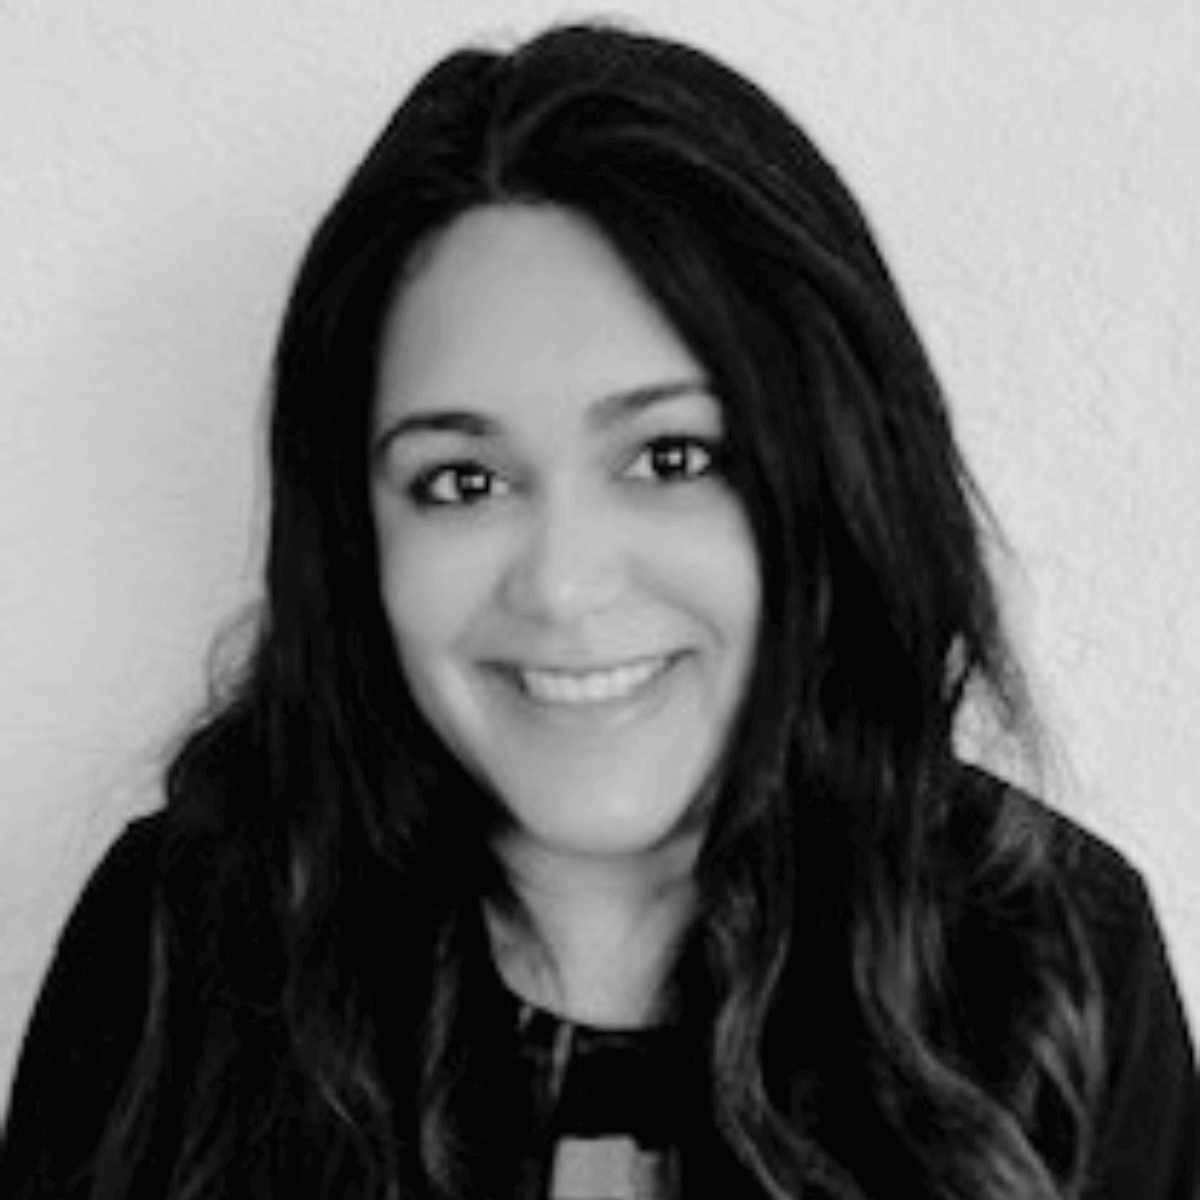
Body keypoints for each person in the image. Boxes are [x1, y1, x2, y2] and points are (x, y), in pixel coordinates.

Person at [1, 19, 1195, 1200]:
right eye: (462, 482)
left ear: (829, 478)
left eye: (670, 458)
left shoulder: (1056, 959)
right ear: (358, 537)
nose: (564, 584)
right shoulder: (177, 941)